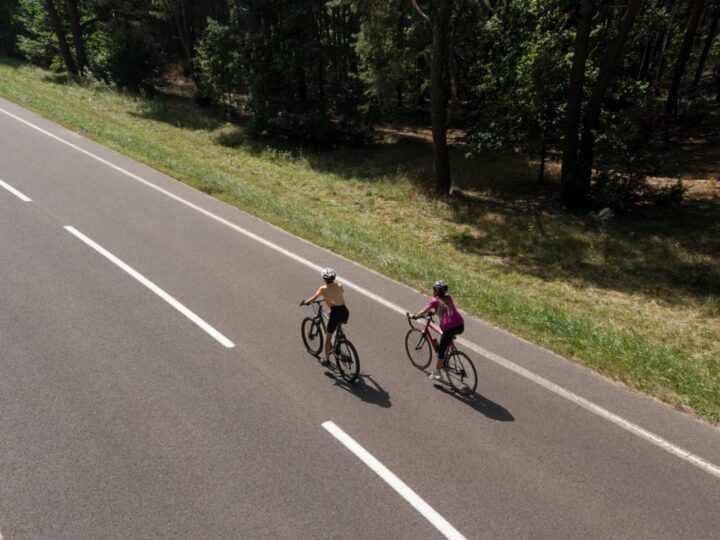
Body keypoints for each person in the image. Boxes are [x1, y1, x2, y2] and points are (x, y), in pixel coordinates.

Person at [411, 280, 464, 381]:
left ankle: (438, 373)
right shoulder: (449, 298)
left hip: (449, 328)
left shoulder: (434, 301)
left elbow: (423, 311)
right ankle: (446, 355)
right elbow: (444, 307)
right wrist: (433, 312)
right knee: (446, 338)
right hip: (460, 325)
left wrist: (415, 316)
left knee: (441, 353)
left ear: (435, 291)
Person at [300, 268, 349, 365]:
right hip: (345, 311)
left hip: (335, 313)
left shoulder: (323, 289)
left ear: (324, 279)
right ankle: (341, 336)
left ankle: (327, 360)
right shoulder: (339, 285)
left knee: (328, 337)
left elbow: (313, 299)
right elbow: (338, 294)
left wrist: (305, 302)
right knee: (336, 320)